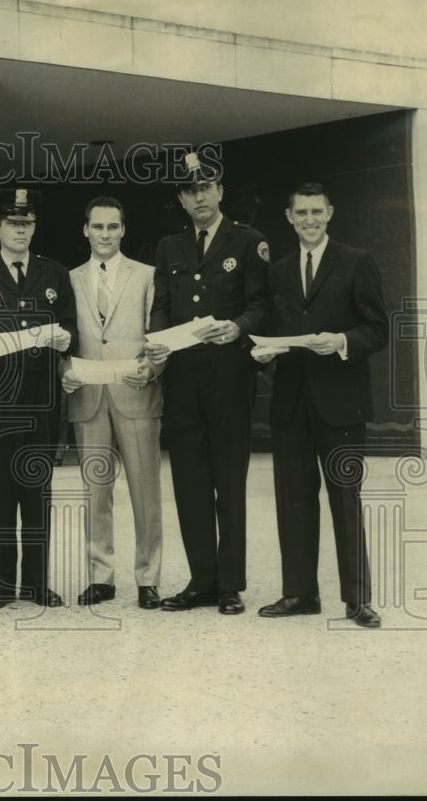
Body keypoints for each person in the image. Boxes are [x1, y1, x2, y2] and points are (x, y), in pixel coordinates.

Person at [254, 182, 387, 628]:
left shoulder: (357, 261)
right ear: (289, 217)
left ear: (330, 213)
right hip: (291, 403)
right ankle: (299, 594)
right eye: (301, 213)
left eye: (317, 212)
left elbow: (377, 329)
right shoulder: (279, 271)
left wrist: (344, 341)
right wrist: (265, 352)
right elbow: (274, 327)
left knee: (345, 501)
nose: (309, 220)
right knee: (293, 500)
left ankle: (357, 599)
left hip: (342, 404)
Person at [146, 153, 270, 616]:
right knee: (190, 480)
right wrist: (156, 342)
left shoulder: (250, 241)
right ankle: (201, 581)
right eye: (190, 190)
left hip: (229, 376)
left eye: (207, 186)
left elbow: (261, 305)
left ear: (220, 190)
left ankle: (230, 584)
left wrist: (238, 327)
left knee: (228, 480)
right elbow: (162, 304)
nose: (199, 195)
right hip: (182, 379)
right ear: (181, 199)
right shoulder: (169, 247)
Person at [0, 188, 76, 609]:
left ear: (34, 227)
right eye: (12, 223)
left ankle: (37, 582)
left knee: (38, 489)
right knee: (2, 491)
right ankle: (2, 583)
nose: (20, 230)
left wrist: (65, 338)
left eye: (26, 224)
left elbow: (69, 326)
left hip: (42, 399)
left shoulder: (54, 273)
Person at [61, 196, 164, 610]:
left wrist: (153, 369)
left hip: (136, 393)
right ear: (85, 230)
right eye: (97, 227)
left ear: (123, 230)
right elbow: (64, 337)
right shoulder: (69, 279)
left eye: (112, 227)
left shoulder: (147, 276)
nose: (105, 234)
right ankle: (100, 576)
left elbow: (160, 334)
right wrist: (63, 372)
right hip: (89, 397)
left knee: (145, 492)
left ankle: (148, 577)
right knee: (95, 493)